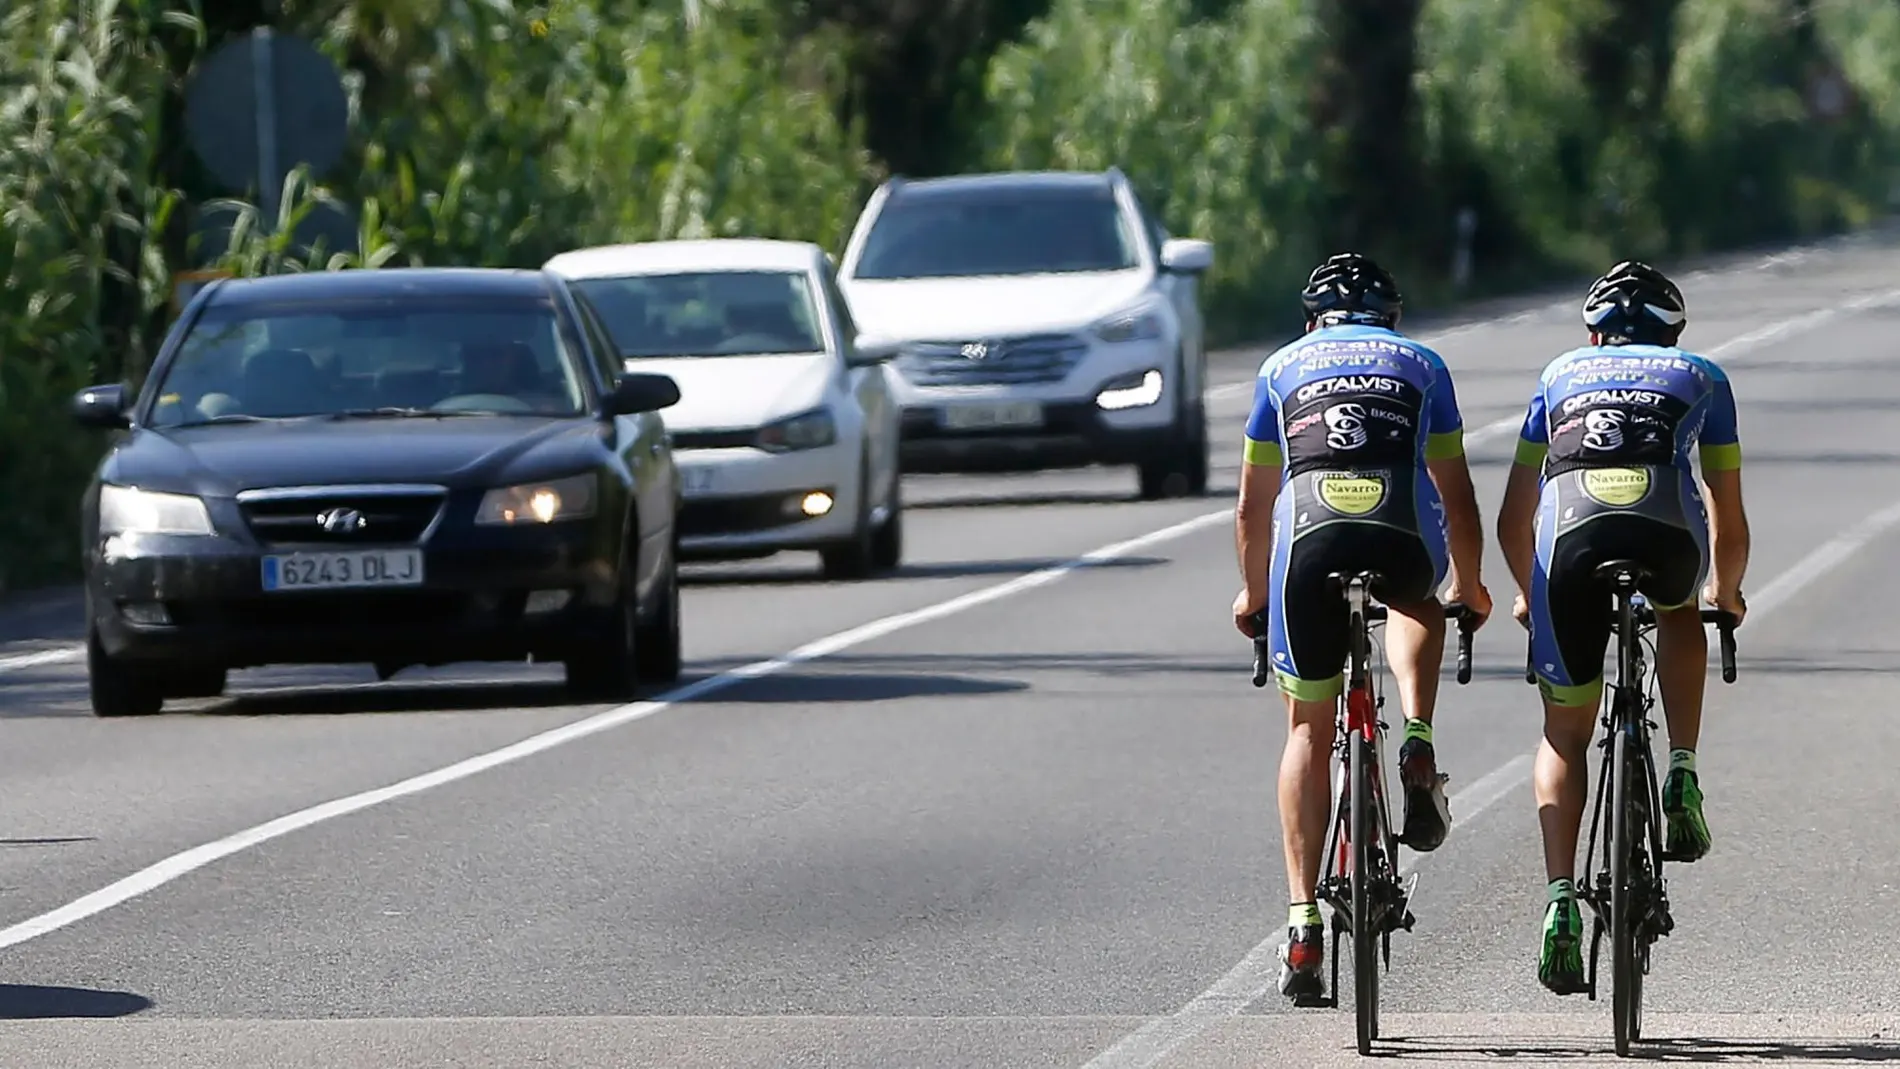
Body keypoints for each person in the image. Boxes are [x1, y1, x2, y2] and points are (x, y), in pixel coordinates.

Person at [1232, 251, 1493, 1002]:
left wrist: (1252, 595)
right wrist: (1465, 585)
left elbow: (1253, 507)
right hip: (1398, 537)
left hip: (1307, 544)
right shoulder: (1423, 365)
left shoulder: (1280, 368)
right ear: (1392, 317)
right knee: (1418, 601)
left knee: (1307, 730)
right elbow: (1457, 492)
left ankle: (1303, 923)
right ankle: (1415, 736)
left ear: (1312, 320)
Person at [1494, 260, 1750, 996]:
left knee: (1563, 734)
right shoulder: (1701, 374)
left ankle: (1558, 904)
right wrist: (1723, 592)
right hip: (1668, 536)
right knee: (1679, 611)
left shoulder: (1558, 373)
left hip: (1567, 549)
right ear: (1673, 332)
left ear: (1592, 332)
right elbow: (1728, 519)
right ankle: (1682, 769)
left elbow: (1516, 516)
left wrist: (1527, 593)